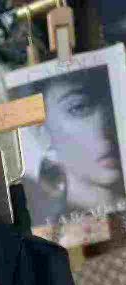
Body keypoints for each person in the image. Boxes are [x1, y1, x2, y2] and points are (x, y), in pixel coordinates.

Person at [11, 65, 125, 227]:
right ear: (42, 133)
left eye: (114, 101)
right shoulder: (43, 226)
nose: (105, 130)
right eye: (78, 107)